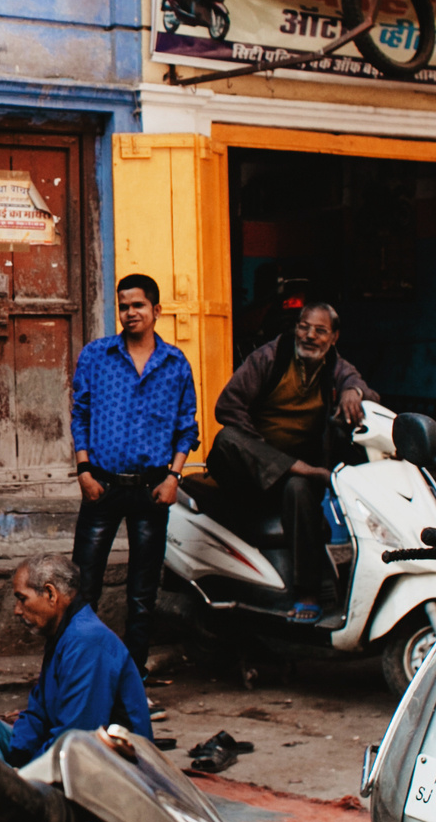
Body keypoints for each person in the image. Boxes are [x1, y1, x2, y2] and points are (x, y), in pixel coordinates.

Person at [206, 302, 378, 624]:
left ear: (334, 337)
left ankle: (307, 593)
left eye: (320, 330)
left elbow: (361, 387)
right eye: (303, 326)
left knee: (300, 487)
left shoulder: (333, 366)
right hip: (245, 470)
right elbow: (227, 407)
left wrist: (353, 391)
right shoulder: (269, 357)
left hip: (289, 480)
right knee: (226, 438)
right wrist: (261, 451)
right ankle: (299, 468)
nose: (310, 335)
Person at [67, 274, 198, 669]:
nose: (130, 313)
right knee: (83, 586)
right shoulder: (97, 355)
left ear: (156, 310)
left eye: (138, 305)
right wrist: (84, 471)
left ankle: (133, 674)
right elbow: (80, 413)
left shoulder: (175, 364)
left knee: (142, 593)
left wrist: (174, 477)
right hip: (101, 486)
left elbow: (186, 426)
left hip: (153, 490)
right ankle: (79, 671)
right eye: (123, 306)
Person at [0, 555, 152, 774]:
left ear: (50, 594)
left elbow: (77, 739)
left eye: (22, 599)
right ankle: (3, 783)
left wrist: (29, 774)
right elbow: (39, 713)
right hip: (62, 749)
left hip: (109, 769)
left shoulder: (87, 641)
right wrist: (19, 756)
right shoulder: (63, 634)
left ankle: (5, 788)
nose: (17, 610)